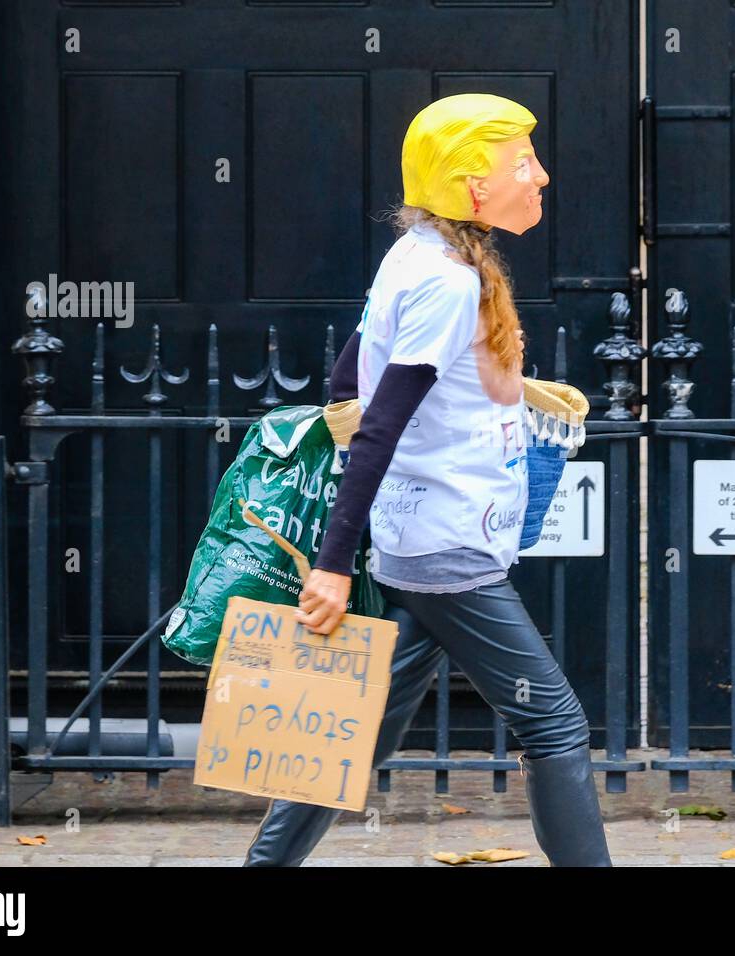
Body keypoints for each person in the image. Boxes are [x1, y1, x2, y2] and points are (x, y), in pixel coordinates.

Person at [243, 93, 613, 867]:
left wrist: (488, 392)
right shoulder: (447, 282)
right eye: (523, 164)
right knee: (555, 726)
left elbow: (352, 375)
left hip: (422, 542)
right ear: (473, 187)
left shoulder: (413, 257)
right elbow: (377, 421)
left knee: (359, 729)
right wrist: (335, 566)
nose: (541, 176)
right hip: (449, 554)